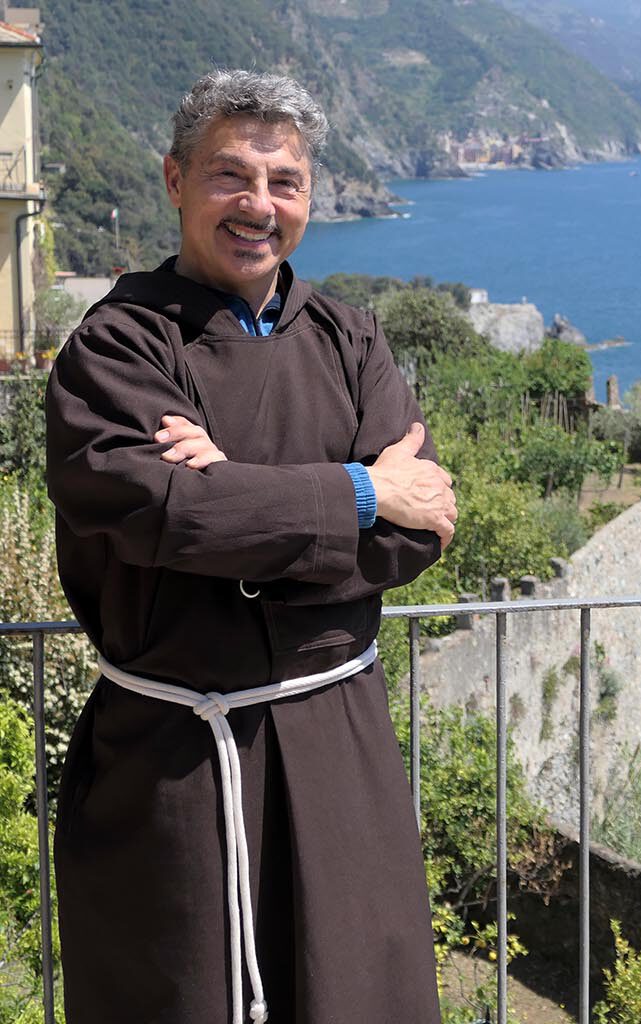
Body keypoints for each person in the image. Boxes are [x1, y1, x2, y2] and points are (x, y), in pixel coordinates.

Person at [45, 69, 454, 1023]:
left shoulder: (353, 340)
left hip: (337, 737)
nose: (258, 206)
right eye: (232, 176)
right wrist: (357, 488)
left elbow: (414, 536)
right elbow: (163, 515)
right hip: (176, 757)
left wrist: (234, 492)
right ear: (174, 180)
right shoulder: (114, 351)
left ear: (310, 197)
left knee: (359, 993)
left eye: (285, 183)